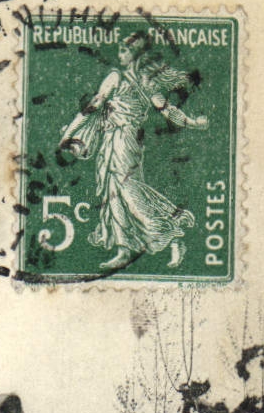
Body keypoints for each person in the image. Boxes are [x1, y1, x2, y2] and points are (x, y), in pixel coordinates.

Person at [57, 32, 208, 271]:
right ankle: (126, 249)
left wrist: (68, 134)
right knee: (114, 191)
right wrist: (192, 123)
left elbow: (93, 107)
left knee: (127, 191)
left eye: (124, 50)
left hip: (123, 142)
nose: (119, 55)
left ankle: (169, 233)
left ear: (136, 55)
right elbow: (168, 110)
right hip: (115, 140)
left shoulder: (119, 78)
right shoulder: (146, 83)